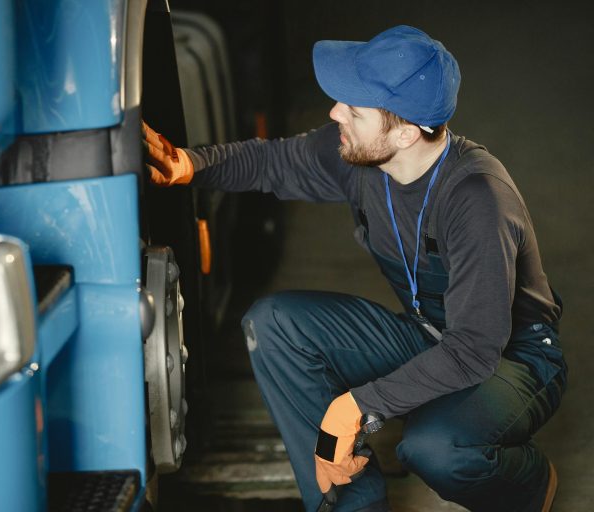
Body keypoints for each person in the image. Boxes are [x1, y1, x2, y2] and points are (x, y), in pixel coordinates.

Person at [143, 25, 566, 512]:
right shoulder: (361, 155)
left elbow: (474, 349)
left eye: (354, 109)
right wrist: (189, 165)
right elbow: (271, 162)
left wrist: (357, 406)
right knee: (274, 325)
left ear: (406, 132)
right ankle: (351, 506)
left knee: (436, 448)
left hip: (512, 356)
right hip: (427, 333)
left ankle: (528, 486)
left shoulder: (477, 200)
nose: (334, 112)